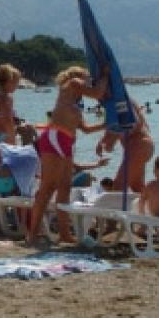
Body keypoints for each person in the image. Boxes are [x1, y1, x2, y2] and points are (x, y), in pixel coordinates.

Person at [27, 66, 108, 246]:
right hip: (55, 138)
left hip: (67, 142)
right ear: (77, 77)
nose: (88, 81)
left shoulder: (76, 104)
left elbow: (86, 129)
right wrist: (105, 75)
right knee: (48, 187)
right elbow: (97, 93)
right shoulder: (71, 84)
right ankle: (32, 234)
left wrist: (106, 124)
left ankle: (64, 234)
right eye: (87, 77)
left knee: (65, 187)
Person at [95, 98, 154, 193]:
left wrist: (112, 138)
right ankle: (155, 205)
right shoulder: (113, 102)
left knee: (118, 187)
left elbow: (134, 124)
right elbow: (113, 124)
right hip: (136, 147)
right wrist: (103, 140)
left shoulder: (120, 100)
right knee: (137, 186)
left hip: (139, 146)